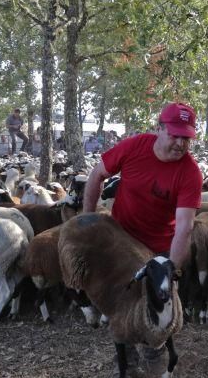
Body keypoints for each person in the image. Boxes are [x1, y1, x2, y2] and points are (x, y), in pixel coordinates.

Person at [83, 102, 201, 268]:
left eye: (186, 138)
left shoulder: (191, 173)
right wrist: (87, 218)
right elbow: (97, 175)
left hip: (157, 251)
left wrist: (171, 268)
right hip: (119, 237)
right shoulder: (133, 147)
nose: (181, 144)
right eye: (174, 135)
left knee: (158, 292)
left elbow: (184, 226)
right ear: (158, 129)